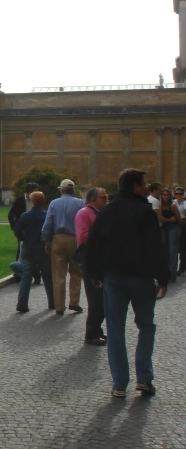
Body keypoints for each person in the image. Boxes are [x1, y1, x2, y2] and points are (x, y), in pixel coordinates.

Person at [87, 169, 169, 398]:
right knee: (146, 326)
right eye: (144, 184)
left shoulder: (107, 211)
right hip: (141, 276)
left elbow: (94, 244)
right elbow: (156, 247)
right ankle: (144, 378)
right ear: (135, 187)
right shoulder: (145, 211)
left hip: (113, 277)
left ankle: (119, 383)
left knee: (115, 330)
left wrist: (94, 273)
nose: (146, 187)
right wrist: (163, 277)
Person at [41, 179, 86, 315]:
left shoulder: (54, 203)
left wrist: (47, 241)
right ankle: (74, 301)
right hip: (74, 239)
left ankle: (59, 306)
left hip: (58, 238)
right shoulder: (80, 203)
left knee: (58, 273)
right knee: (76, 271)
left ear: (61, 190)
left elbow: (48, 224)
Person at [74, 187, 108, 345]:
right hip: (90, 259)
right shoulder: (84, 213)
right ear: (93, 199)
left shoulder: (99, 214)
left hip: (101, 259)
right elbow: (82, 236)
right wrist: (103, 237)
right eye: (103, 197)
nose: (106, 200)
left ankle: (97, 329)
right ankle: (91, 332)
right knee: (95, 299)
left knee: (103, 298)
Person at [12, 191, 54, 312]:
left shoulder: (25, 215)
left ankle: (22, 304)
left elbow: (17, 231)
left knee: (26, 276)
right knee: (47, 276)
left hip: (28, 248)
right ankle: (53, 302)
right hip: (42, 249)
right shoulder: (47, 215)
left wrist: (24, 238)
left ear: (31, 202)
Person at [9, 182, 41, 283]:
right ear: (28, 192)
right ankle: (19, 274)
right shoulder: (19, 200)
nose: (35, 193)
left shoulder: (36, 201)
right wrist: (14, 228)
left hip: (34, 231)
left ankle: (36, 275)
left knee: (34, 253)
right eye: (34, 191)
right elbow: (11, 215)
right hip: (22, 231)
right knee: (21, 252)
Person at [155, 188, 180, 281]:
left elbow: (178, 219)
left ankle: (172, 275)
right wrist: (169, 220)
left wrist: (181, 228)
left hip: (173, 229)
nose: (166, 197)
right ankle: (166, 273)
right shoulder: (159, 205)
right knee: (165, 252)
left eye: (168, 195)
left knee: (172, 252)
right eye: (164, 195)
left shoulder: (172, 206)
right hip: (164, 229)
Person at [174, 187, 186, 275]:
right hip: (174, 225)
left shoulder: (185, 203)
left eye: (180, 194)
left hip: (184, 225)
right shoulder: (173, 203)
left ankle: (182, 267)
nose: (178, 195)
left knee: (183, 248)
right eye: (177, 193)